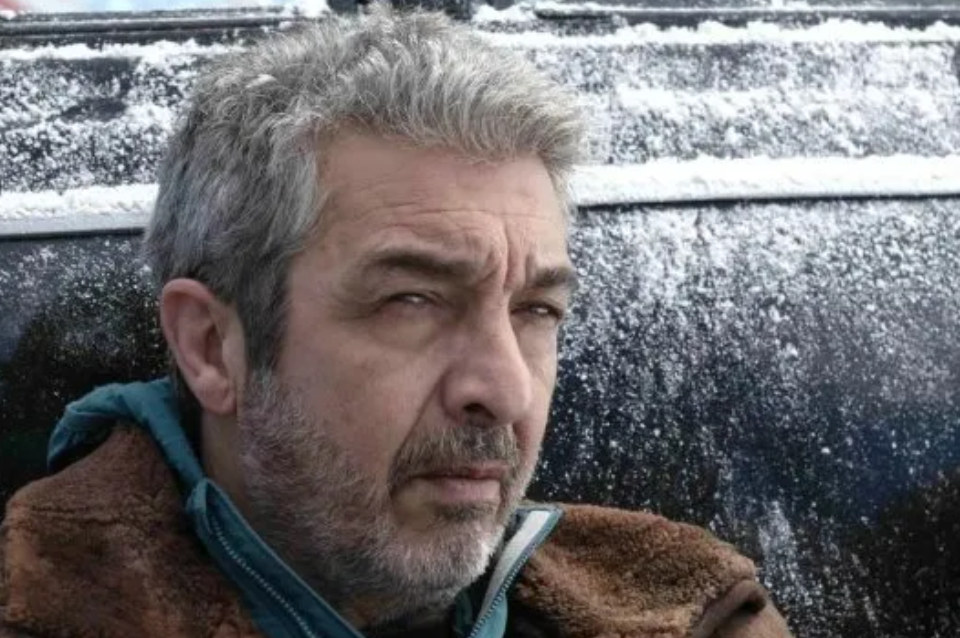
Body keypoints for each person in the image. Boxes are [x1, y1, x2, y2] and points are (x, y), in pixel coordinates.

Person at [0, 6, 793, 637]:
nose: (506, 390)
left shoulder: (692, 614)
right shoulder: (38, 606)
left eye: (536, 310)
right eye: (413, 300)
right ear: (212, 347)